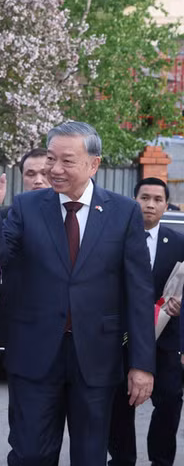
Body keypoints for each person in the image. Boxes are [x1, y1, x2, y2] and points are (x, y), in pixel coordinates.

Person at [0, 121, 155, 465]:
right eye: (51, 159)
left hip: (98, 357)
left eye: (67, 161)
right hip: (34, 355)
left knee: (90, 456)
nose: (54, 169)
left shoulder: (123, 212)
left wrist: (142, 364)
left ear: (94, 164)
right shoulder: (26, 206)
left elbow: (139, 292)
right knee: (30, 454)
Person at [108, 177, 184, 466]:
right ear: (134, 201)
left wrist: (179, 305)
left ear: (166, 205)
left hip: (165, 339)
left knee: (170, 401)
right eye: (144, 198)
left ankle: (161, 460)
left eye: (157, 199)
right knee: (119, 403)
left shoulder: (178, 243)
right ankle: (122, 459)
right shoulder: (114, 239)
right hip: (122, 337)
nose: (150, 204)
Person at [0, 147, 51, 349]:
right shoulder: (5, 217)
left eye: (45, 173)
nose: (38, 180)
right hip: (15, 321)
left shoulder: (73, 216)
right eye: (31, 174)